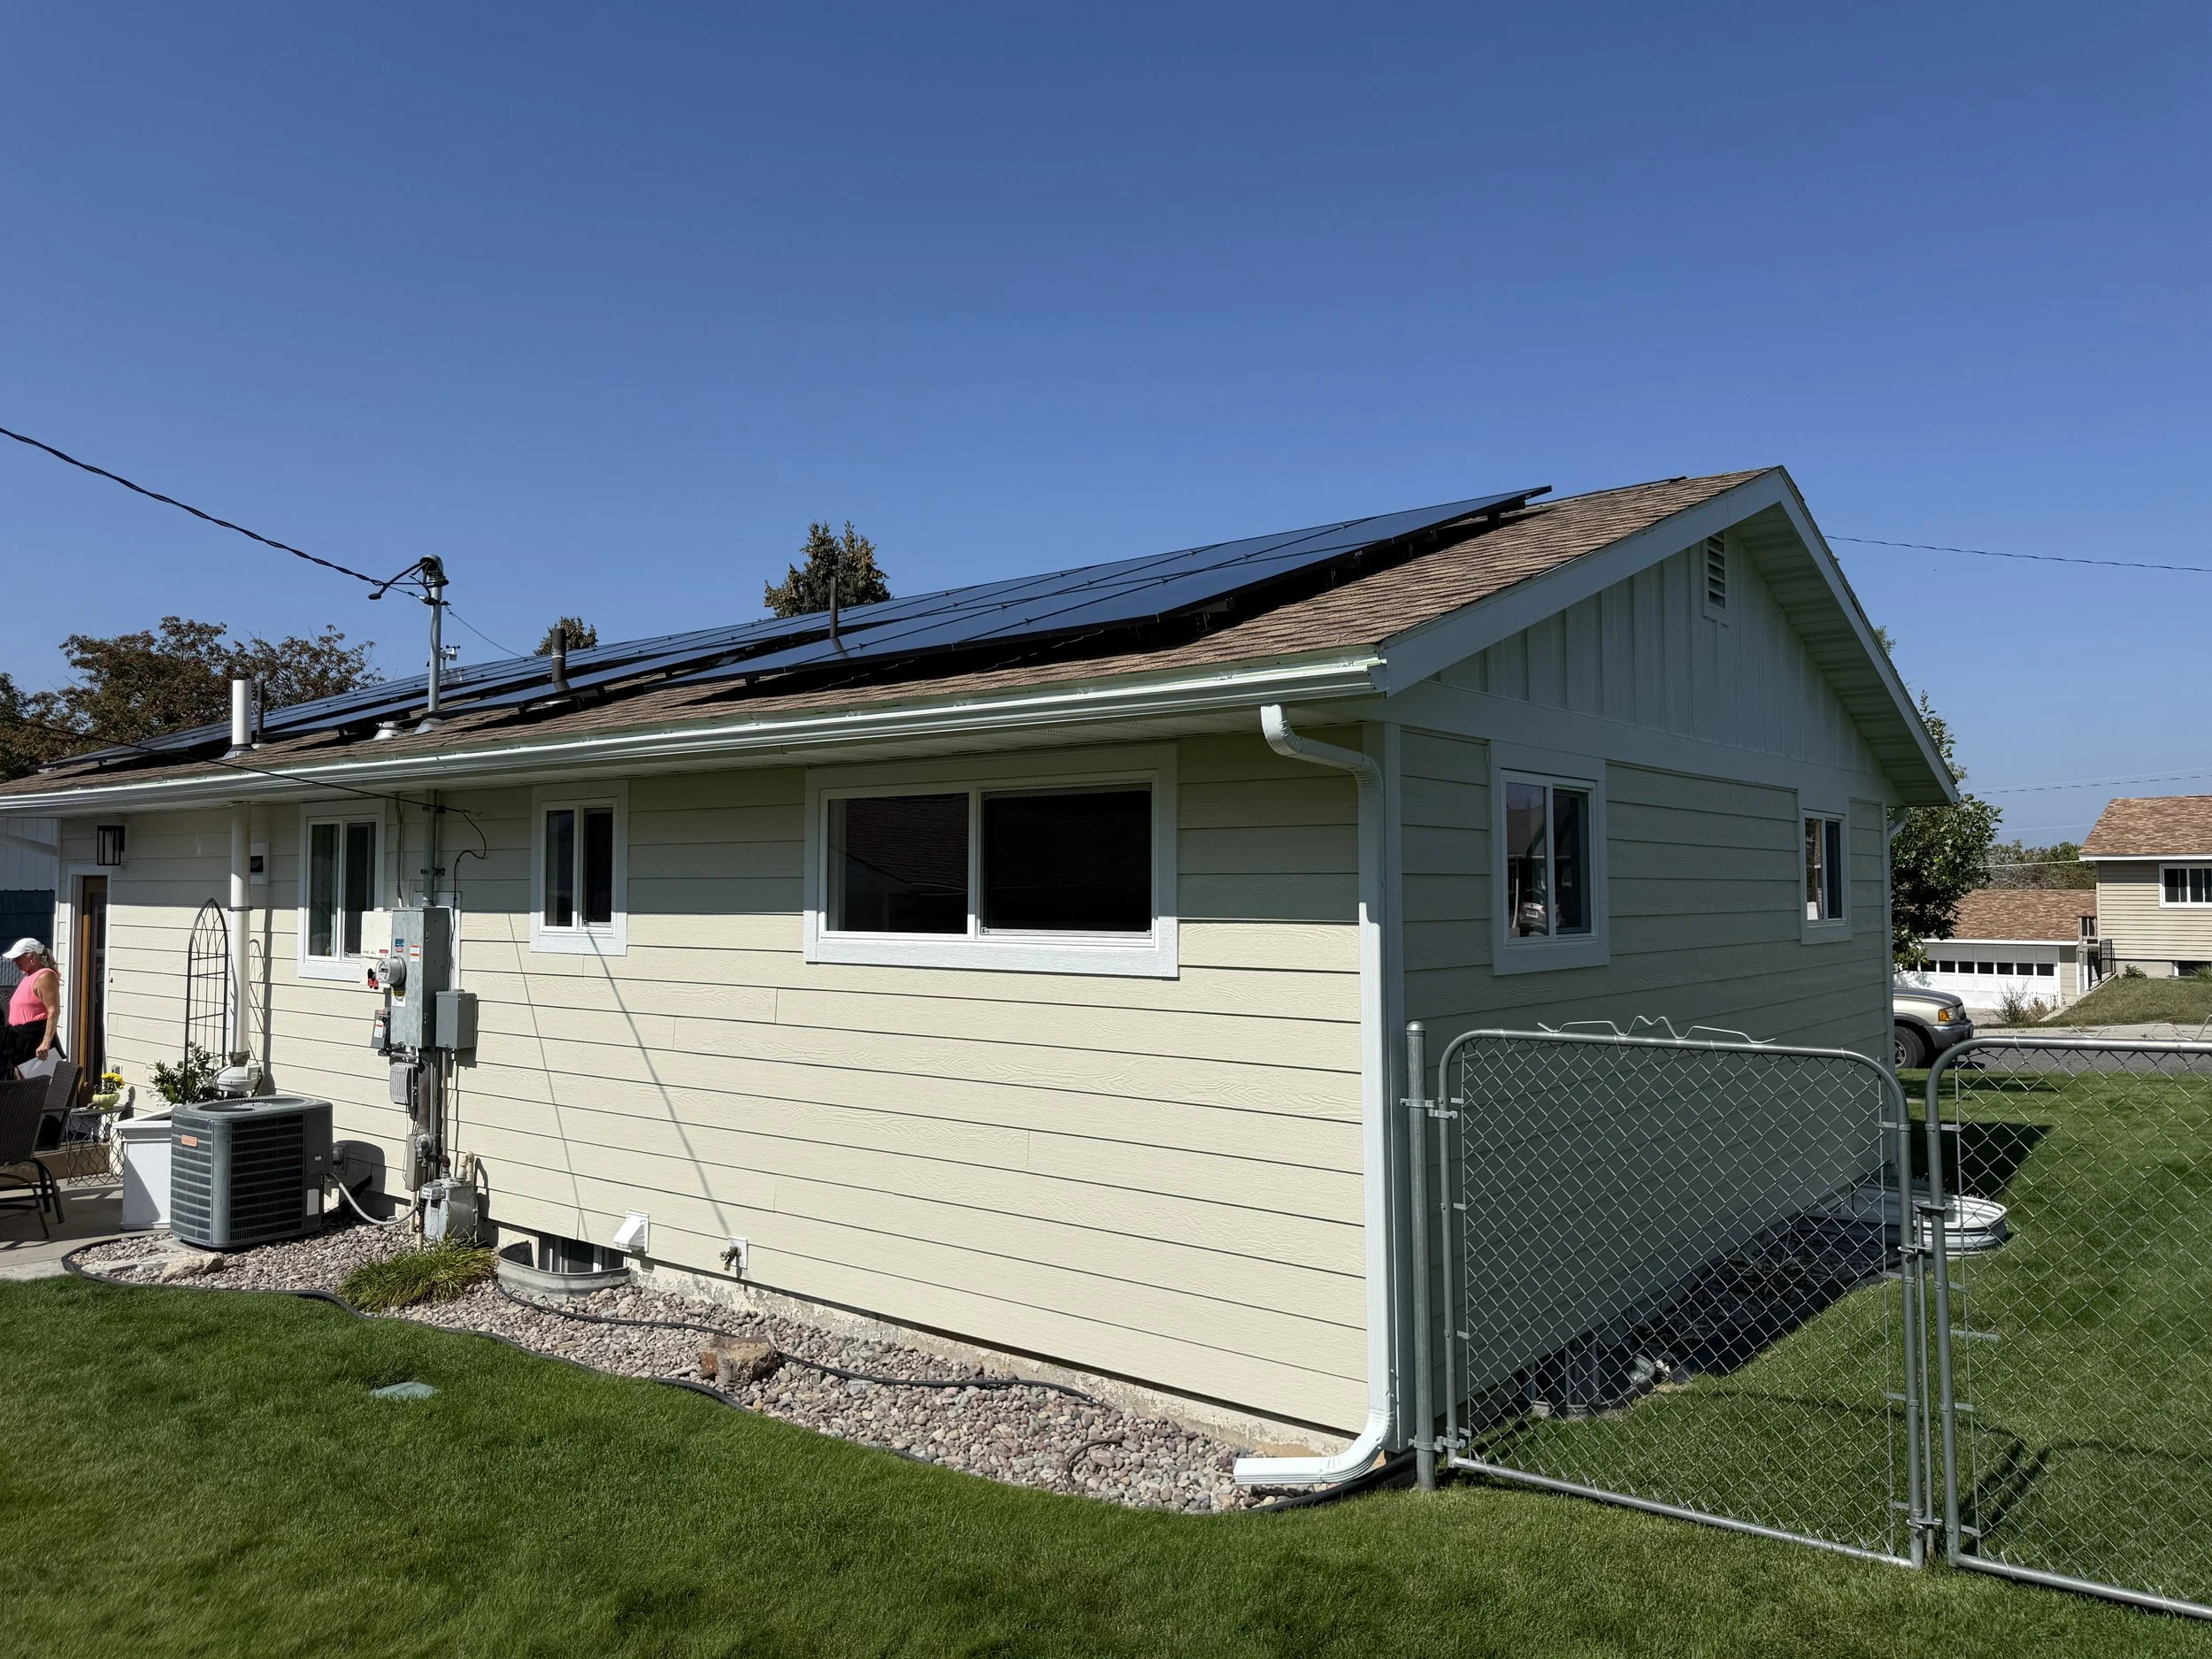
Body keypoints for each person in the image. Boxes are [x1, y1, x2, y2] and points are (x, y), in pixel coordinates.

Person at [2, 939, 61, 1079]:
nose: (15, 962)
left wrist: (45, 1043)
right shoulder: (28, 976)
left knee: (31, 1090)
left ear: (32, 956)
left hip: (34, 1039)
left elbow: (53, 1010)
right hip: (17, 1038)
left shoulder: (45, 975)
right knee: (14, 1085)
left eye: (18, 958)